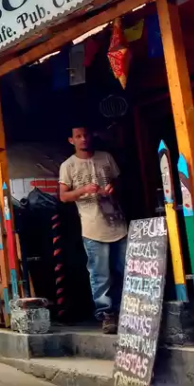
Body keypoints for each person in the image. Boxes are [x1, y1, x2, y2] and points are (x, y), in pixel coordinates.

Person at [59, 125, 127, 334]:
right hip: (92, 226)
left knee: (127, 269)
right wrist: (83, 190)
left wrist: (112, 189)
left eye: (86, 135)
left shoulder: (105, 157)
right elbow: (63, 196)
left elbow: (118, 181)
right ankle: (107, 314)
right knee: (101, 275)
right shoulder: (68, 166)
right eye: (78, 136)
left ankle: (129, 311)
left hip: (118, 223)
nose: (83, 139)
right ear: (71, 140)